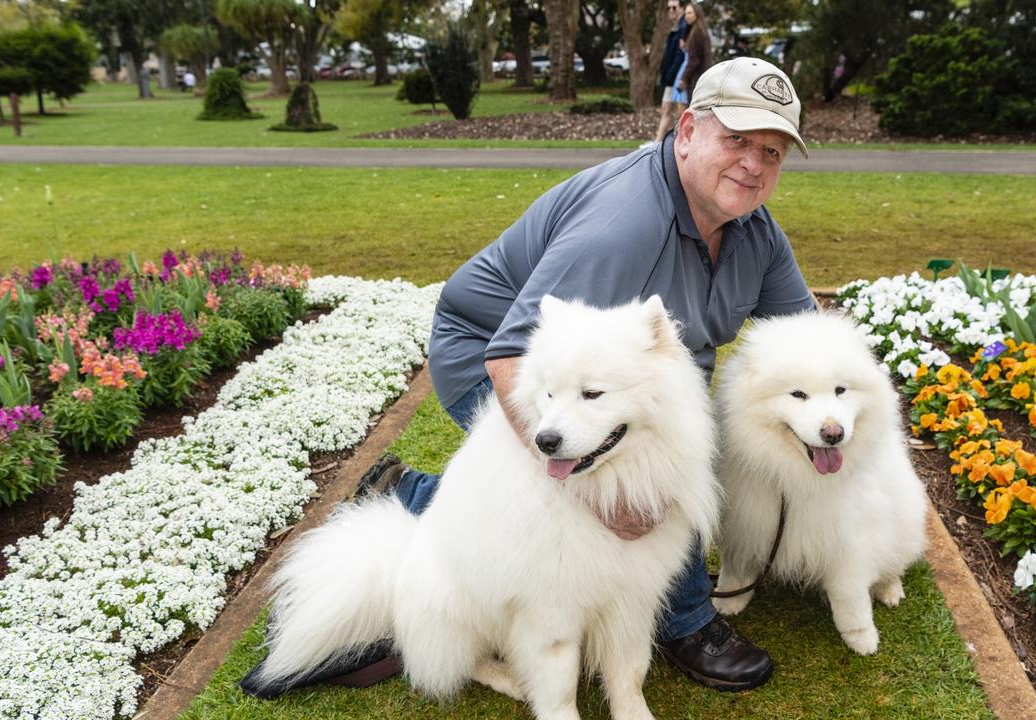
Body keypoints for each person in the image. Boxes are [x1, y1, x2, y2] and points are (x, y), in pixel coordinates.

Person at [287, 57, 814, 698]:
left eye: (772, 151)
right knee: (611, 502)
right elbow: (511, 355)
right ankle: (686, 620)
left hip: (605, 385)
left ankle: (410, 493)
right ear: (687, 131)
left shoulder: (754, 231)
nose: (753, 164)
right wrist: (625, 501)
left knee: (658, 467)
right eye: (736, 140)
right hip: (502, 358)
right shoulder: (623, 227)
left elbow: (806, 343)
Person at [648, 0, 686, 145]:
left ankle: (663, 142)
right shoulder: (677, 27)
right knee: (667, 109)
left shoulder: (683, 28)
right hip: (672, 77)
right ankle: (659, 141)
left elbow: (680, 56)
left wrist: (671, 75)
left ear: (681, 8)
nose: (671, 10)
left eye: (674, 7)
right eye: (669, 7)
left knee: (676, 110)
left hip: (677, 78)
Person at [671, 2, 712, 113]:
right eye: (685, 14)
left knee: (691, 112)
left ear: (697, 14)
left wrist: (684, 78)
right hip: (699, 78)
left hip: (695, 79)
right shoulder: (698, 30)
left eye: (690, 13)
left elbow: (694, 60)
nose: (687, 16)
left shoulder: (697, 33)